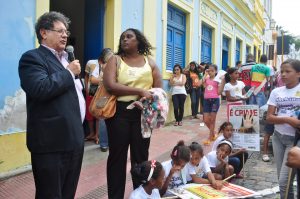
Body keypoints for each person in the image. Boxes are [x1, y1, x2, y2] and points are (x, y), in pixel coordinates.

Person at [18, 11, 85, 198]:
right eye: (60, 30)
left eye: (66, 31)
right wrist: (69, 73)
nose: (65, 35)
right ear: (44, 33)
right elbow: (40, 88)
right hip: (51, 144)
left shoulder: (67, 59)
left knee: (67, 193)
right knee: (50, 195)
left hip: (74, 141)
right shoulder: (32, 58)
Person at [103, 28, 162, 199]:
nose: (124, 40)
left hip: (143, 114)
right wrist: (140, 91)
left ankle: (140, 195)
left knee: (141, 159)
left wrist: (145, 99)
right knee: (117, 158)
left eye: (129, 37)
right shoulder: (115, 60)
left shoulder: (150, 63)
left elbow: (158, 91)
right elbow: (110, 86)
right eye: (122, 38)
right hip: (119, 114)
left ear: (139, 41)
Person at [266, 59, 300, 199]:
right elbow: (269, 117)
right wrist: (288, 120)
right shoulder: (276, 92)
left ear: (298, 73)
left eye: (288, 71)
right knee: (283, 180)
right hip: (278, 137)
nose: (283, 75)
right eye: (282, 72)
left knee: (284, 182)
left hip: (295, 140)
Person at [90, 48, 114, 151]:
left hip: (108, 95)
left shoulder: (106, 66)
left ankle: (106, 143)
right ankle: (104, 143)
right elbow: (92, 79)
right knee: (103, 118)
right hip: (104, 95)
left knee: (106, 118)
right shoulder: (99, 66)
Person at [202, 64, 225, 145]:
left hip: (215, 100)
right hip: (206, 101)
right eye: (209, 70)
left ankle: (210, 137)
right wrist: (204, 75)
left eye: (212, 71)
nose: (210, 72)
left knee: (212, 119)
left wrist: (222, 80)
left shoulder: (218, 80)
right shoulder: (206, 79)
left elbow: (219, 91)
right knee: (205, 120)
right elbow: (202, 85)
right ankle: (214, 132)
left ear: (215, 71)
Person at [84, 58, 100, 143]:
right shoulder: (90, 63)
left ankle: (97, 135)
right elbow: (86, 76)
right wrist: (86, 89)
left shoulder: (109, 65)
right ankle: (91, 133)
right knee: (89, 114)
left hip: (101, 94)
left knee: (98, 115)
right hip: (90, 93)